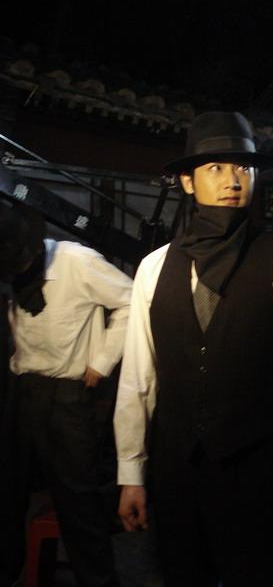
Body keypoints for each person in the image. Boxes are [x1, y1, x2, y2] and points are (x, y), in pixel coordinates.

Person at [114, 111, 273, 587]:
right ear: (187, 181)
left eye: (243, 167)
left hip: (257, 470)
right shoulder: (153, 269)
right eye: (216, 168)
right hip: (177, 471)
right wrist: (130, 472)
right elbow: (139, 379)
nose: (233, 181)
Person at [0, 201, 132, 587]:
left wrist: (102, 361)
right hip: (21, 389)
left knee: (78, 504)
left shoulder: (77, 262)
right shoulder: (12, 274)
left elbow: (133, 301)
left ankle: (98, 581)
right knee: (6, 494)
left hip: (67, 397)